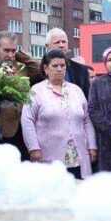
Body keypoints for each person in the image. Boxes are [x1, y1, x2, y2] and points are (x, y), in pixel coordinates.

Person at [22, 49, 97, 179]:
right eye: (55, 66)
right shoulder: (36, 91)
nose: (59, 69)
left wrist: (92, 145)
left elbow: (87, 120)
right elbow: (27, 120)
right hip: (49, 156)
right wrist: (33, 148)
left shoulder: (76, 90)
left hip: (78, 155)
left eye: (62, 66)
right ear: (46, 68)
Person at [0, 31, 41, 160]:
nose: (10, 55)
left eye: (13, 51)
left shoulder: (21, 68)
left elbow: (37, 68)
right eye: (6, 50)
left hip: (18, 129)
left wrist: (18, 55)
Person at [46, 28, 91, 98]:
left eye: (64, 42)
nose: (61, 45)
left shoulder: (81, 70)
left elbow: (87, 98)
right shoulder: (40, 70)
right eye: (57, 42)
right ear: (47, 46)